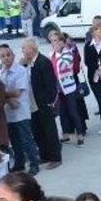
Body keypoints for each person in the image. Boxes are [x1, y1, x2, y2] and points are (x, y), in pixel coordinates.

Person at [0, 44, 41, 175]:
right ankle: (19, 163)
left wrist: (3, 93)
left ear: (13, 56)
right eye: (2, 56)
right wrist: (6, 97)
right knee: (14, 141)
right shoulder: (1, 72)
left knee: (26, 139)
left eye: (8, 55)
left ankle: (34, 164)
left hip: (21, 112)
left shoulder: (20, 71)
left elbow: (16, 92)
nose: (6, 58)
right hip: (8, 112)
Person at [21, 39, 63, 169]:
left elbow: (50, 86)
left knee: (49, 130)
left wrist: (49, 103)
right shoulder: (28, 63)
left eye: (24, 48)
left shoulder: (43, 62)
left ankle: (55, 157)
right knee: (38, 131)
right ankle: (44, 155)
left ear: (32, 49)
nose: (22, 51)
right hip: (33, 103)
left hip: (44, 104)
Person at [49, 31, 88, 146]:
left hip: (69, 87)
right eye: (52, 41)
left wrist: (55, 57)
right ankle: (65, 134)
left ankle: (80, 134)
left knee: (73, 111)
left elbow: (61, 65)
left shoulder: (68, 53)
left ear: (62, 42)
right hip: (58, 88)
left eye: (56, 41)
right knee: (62, 112)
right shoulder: (52, 54)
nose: (54, 44)